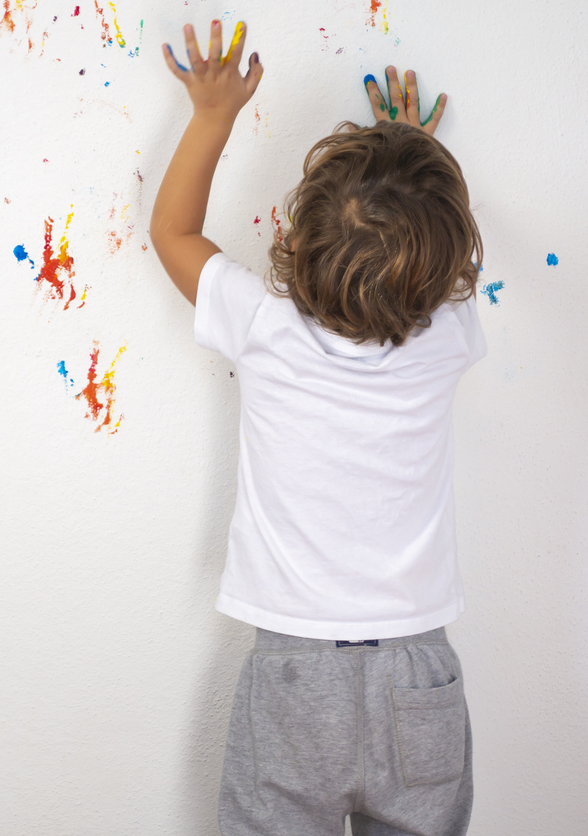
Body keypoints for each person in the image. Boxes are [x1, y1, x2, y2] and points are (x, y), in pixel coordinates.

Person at [150, 19, 485, 836]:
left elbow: (174, 233)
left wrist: (212, 117)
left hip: (296, 675)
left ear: (297, 240)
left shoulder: (264, 326)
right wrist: (405, 148)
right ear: (445, 271)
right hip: (420, 675)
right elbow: (420, 258)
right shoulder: (451, 337)